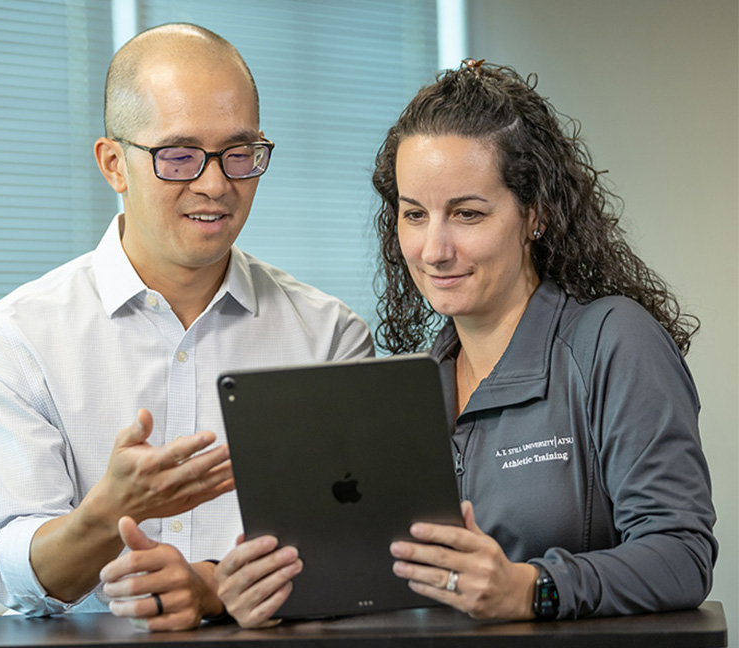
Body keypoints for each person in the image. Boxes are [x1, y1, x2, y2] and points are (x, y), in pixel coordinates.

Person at [215, 60, 716, 625]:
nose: (433, 249)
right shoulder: (413, 386)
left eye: (467, 214)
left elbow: (682, 554)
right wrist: (260, 590)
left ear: (536, 214)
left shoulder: (613, 341)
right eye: (414, 214)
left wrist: (533, 588)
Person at [0, 23, 373, 630]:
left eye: (239, 153)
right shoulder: (16, 340)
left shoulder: (329, 337)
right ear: (113, 164)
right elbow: (15, 572)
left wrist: (211, 587)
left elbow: (356, 545)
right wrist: (107, 515)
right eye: (178, 155)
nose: (216, 184)